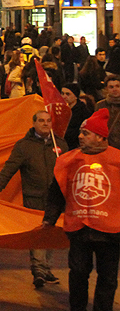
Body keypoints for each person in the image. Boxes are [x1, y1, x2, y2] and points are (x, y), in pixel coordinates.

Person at [42, 109, 120, 311]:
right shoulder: (69, 160)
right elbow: (57, 191)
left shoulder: (117, 160)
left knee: (108, 278)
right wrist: (49, 218)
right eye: (80, 132)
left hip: (110, 232)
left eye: (86, 133)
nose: (80, 136)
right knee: (77, 274)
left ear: (101, 136)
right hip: (79, 229)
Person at [0, 110, 65, 287]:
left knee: (51, 233)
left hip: (56, 201)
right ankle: (38, 270)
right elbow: (8, 170)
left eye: (48, 121)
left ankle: (46, 268)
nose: (45, 124)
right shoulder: (24, 146)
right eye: (42, 121)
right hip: (34, 198)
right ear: (34, 123)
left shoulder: (60, 145)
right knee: (38, 234)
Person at [62, 85, 93, 151]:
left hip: (76, 146)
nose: (64, 96)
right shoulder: (60, 110)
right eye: (62, 93)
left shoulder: (83, 111)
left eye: (68, 94)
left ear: (75, 96)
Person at [95, 74, 120, 149]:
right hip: (107, 146)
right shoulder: (100, 105)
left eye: (117, 86)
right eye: (111, 87)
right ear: (106, 89)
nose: (114, 89)